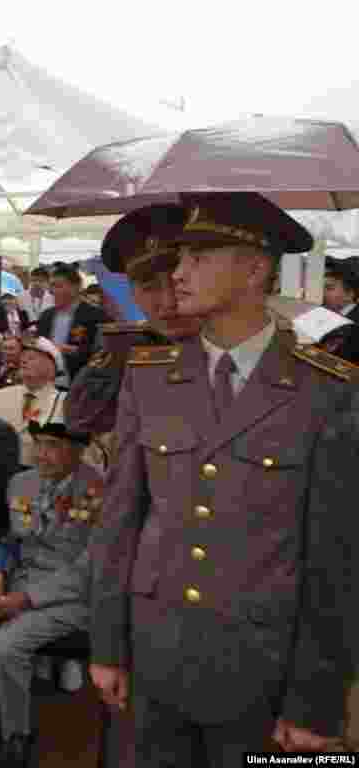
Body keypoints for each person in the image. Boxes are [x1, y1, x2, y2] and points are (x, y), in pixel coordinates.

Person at [89, 193, 357, 765]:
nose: (178, 273)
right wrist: (108, 645)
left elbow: (335, 559)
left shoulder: (327, 392)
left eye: (199, 257)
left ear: (255, 267)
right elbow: (121, 523)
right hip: (154, 656)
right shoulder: (150, 379)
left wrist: (315, 699)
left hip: (259, 670)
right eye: (178, 258)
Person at [0, 412, 102, 767]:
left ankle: (16, 735)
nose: (41, 454)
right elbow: (11, 541)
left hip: (71, 596)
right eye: (38, 444)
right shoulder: (21, 483)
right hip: (17, 581)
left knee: (4, 646)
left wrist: (26, 599)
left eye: (53, 446)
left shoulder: (102, 490)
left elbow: (91, 567)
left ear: (78, 450)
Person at [65, 205, 205, 436]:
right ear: (132, 293)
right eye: (150, 288)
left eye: (180, 282)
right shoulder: (124, 352)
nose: (168, 302)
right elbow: (80, 421)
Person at [0, 337, 65, 470]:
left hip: (38, 476)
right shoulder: (2, 395)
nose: (24, 361)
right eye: (23, 357)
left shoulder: (63, 402)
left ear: (51, 367)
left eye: (31, 358)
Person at [34, 264, 110, 381]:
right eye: (51, 287)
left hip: (80, 381)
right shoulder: (46, 316)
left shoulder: (96, 315)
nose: (52, 291)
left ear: (76, 287)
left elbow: (105, 353)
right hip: (47, 381)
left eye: (58, 286)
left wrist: (75, 351)